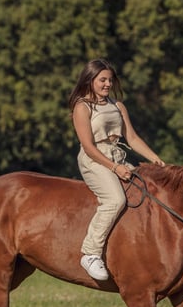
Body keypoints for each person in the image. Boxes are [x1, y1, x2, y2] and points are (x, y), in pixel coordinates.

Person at [68, 58, 165, 281]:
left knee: (147, 192)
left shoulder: (117, 106)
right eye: (102, 80)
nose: (107, 84)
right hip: (95, 161)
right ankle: (91, 253)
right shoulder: (82, 107)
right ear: (90, 80)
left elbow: (131, 138)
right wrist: (114, 168)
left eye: (110, 80)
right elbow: (89, 147)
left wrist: (155, 159)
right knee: (115, 200)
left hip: (118, 157)